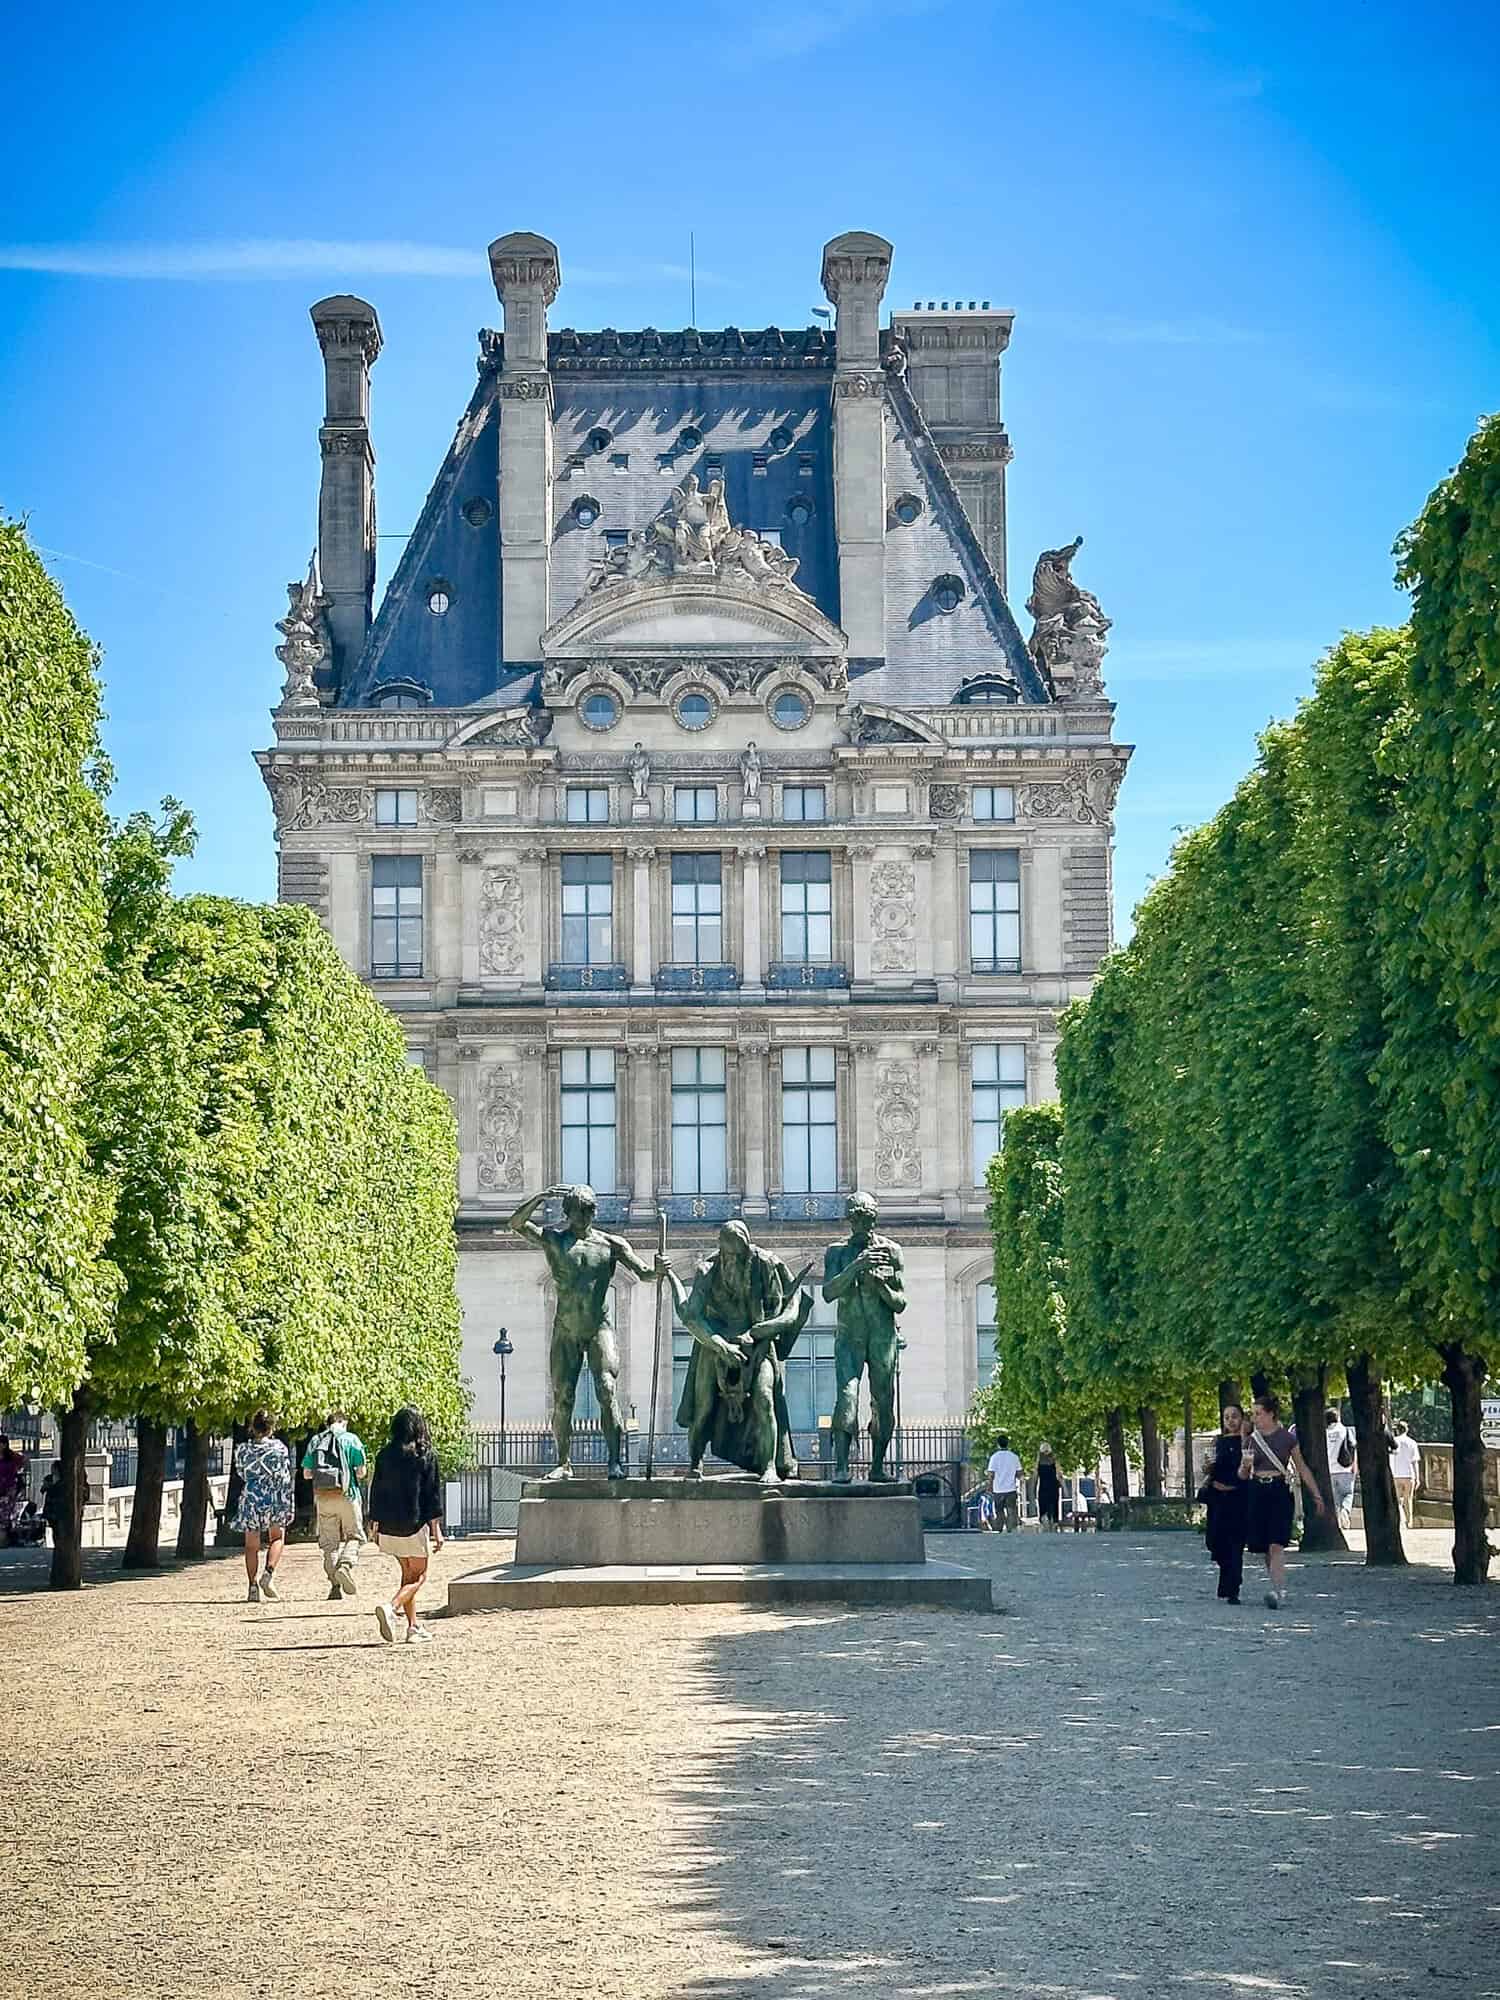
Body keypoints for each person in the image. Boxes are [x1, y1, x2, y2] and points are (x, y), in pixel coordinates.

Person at [506, 1183, 663, 1480]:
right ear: (568, 1213)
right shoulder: (554, 1240)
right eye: (580, 1211)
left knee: (607, 1388)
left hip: (598, 1327)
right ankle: (564, 1462)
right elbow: (516, 1224)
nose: (585, 1216)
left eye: (589, 1210)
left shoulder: (611, 1245)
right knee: (564, 1396)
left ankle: (615, 1462)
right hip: (565, 1329)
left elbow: (644, 1273)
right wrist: (539, 1198)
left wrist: (659, 1269)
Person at [664, 1222, 813, 1481]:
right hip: (714, 1345)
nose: (732, 1259)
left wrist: (758, 1334)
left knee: (765, 1398)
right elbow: (691, 1318)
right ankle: (695, 1462)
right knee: (704, 1408)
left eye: (738, 1254)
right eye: (727, 1254)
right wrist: (721, 1346)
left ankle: (768, 1466)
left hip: (758, 1345)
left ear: (747, 1249)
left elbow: (786, 1314)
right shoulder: (707, 1271)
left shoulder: (765, 1265)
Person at [823, 1192, 907, 1484]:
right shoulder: (837, 1252)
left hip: (882, 1337)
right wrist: (855, 1267)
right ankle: (842, 1466)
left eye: (867, 1218)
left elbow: (900, 1303)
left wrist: (880, 1284)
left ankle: (877, 1467)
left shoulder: (891, 1251)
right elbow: (828, 1292)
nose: (863, 1224)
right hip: (849, 1337)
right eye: (857, 1218)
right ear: (849, 1220)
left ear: (874, 1218)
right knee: (847, 1397)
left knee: (883, 1403)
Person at [1238, 1393, 1326, 1609]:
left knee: (1277, 1544)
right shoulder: (1252, 1439)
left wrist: (1316, 1494)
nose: (1255, 1417)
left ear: (1271, 1414)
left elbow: (1301, 1467)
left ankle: (1279, 1591)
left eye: (1258, 1413)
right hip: (1257, 1490)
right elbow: (1241, 1474)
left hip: (1279, 1490)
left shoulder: (1287, 1438)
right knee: (1265, 1547)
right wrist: (1245, 1467)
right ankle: (1275, 1585)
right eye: (1253, 1413)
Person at [367, 1405, 445, 1645]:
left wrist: (374, 1523)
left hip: (389, 1525)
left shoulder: (384, 1454)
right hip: (414, 1523)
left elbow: (376, 1489)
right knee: (419, 1577)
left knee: (407, 1574)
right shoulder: (425, 1455)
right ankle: (391, 1607)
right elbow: (431, 1496)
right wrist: (436, 1530)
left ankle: (413, 1628)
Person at [300, 1411, 369, 1601]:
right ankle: (345, 1565)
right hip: (348, 1494)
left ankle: (335, 1587)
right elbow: (361, 1472)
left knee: (329, 1544)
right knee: (354, 1536)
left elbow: (306, 1473)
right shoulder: (351, 1439)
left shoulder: (315, 1441)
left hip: (323, 1497)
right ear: (342, 1422)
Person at [232, 1410, 293, 1603]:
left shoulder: (243, 1449)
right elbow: (285, 1474)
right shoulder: (280, 1448)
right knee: (277, 1538)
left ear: (253, 1426)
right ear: (272, 1427)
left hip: (251, 1497)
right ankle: (269, 1572)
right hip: (274, 1495)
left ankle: (252, 1586)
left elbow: (241, 1472)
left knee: (251, 1545)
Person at [1200, 1404, 1248, 1603]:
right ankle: (1227, 1582)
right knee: (1215, 1541)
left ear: (1242, 1418)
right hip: (1218, 1497)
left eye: (1234, 1416)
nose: (1230, 1420)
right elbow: (1211, 1467)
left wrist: (1245, 1435)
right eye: (1226, 1417)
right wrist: (1207, 1467)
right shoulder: (1218, 1441)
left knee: (1235, 1544)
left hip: (1238, 1497)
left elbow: (1247, 1463)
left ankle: (1233, 1587)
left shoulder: (1248, 1441)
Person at [1325, 1406, 1355, 1529]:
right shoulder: (1344, 1430)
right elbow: (1352, 1446)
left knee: (1335, 1498)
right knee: (1348, 1493)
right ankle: (1345, 1511)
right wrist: (1354, 1465)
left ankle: (1337, 1522)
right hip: (1345, 1469)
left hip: (1330, 1469)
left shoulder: (1324, 1432)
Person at [986, 1433, 1022, 1533]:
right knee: (1011, 1510)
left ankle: (999, 1528)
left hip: (998, 1489)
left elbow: (991, 1474)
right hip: (1011, 1488)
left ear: (998, 1444)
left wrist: (989, 1486)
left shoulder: (994, 1457)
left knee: (999, 1510)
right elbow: (1019, 1473)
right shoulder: (1014, 1457)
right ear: (1007, 1444)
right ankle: (1010, 1529)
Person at [1389, 1421, 1422, 1529]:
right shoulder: (1412, 1442)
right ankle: (1409, 1521)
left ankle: (1400, 1520)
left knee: (1397, 1500)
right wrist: (1417, 1477)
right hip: (1409, 1474)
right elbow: (1415, 1461)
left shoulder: (1394, 1441)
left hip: (1396, 1474)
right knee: (1408, 1499)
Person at [0, 1435, 28, 1543]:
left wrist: (17, 1470)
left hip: (9, 1488)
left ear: (5, 1445)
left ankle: (4, 1538)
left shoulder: (10, 1456)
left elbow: (23, 1459)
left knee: (5, 1514)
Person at [1035, 1444, 1062, 1530]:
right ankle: (1054, 1522)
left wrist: (1033, 1487)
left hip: (1043, 1486)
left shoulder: (1039, 1461)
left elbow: (1035, 1475)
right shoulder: (1054, 1460)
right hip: (1053, 1486)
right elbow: (1059, 1475)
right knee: (1054, 1504)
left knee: (1043, 1505)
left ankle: (1044, 1521)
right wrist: (1064, 1487)